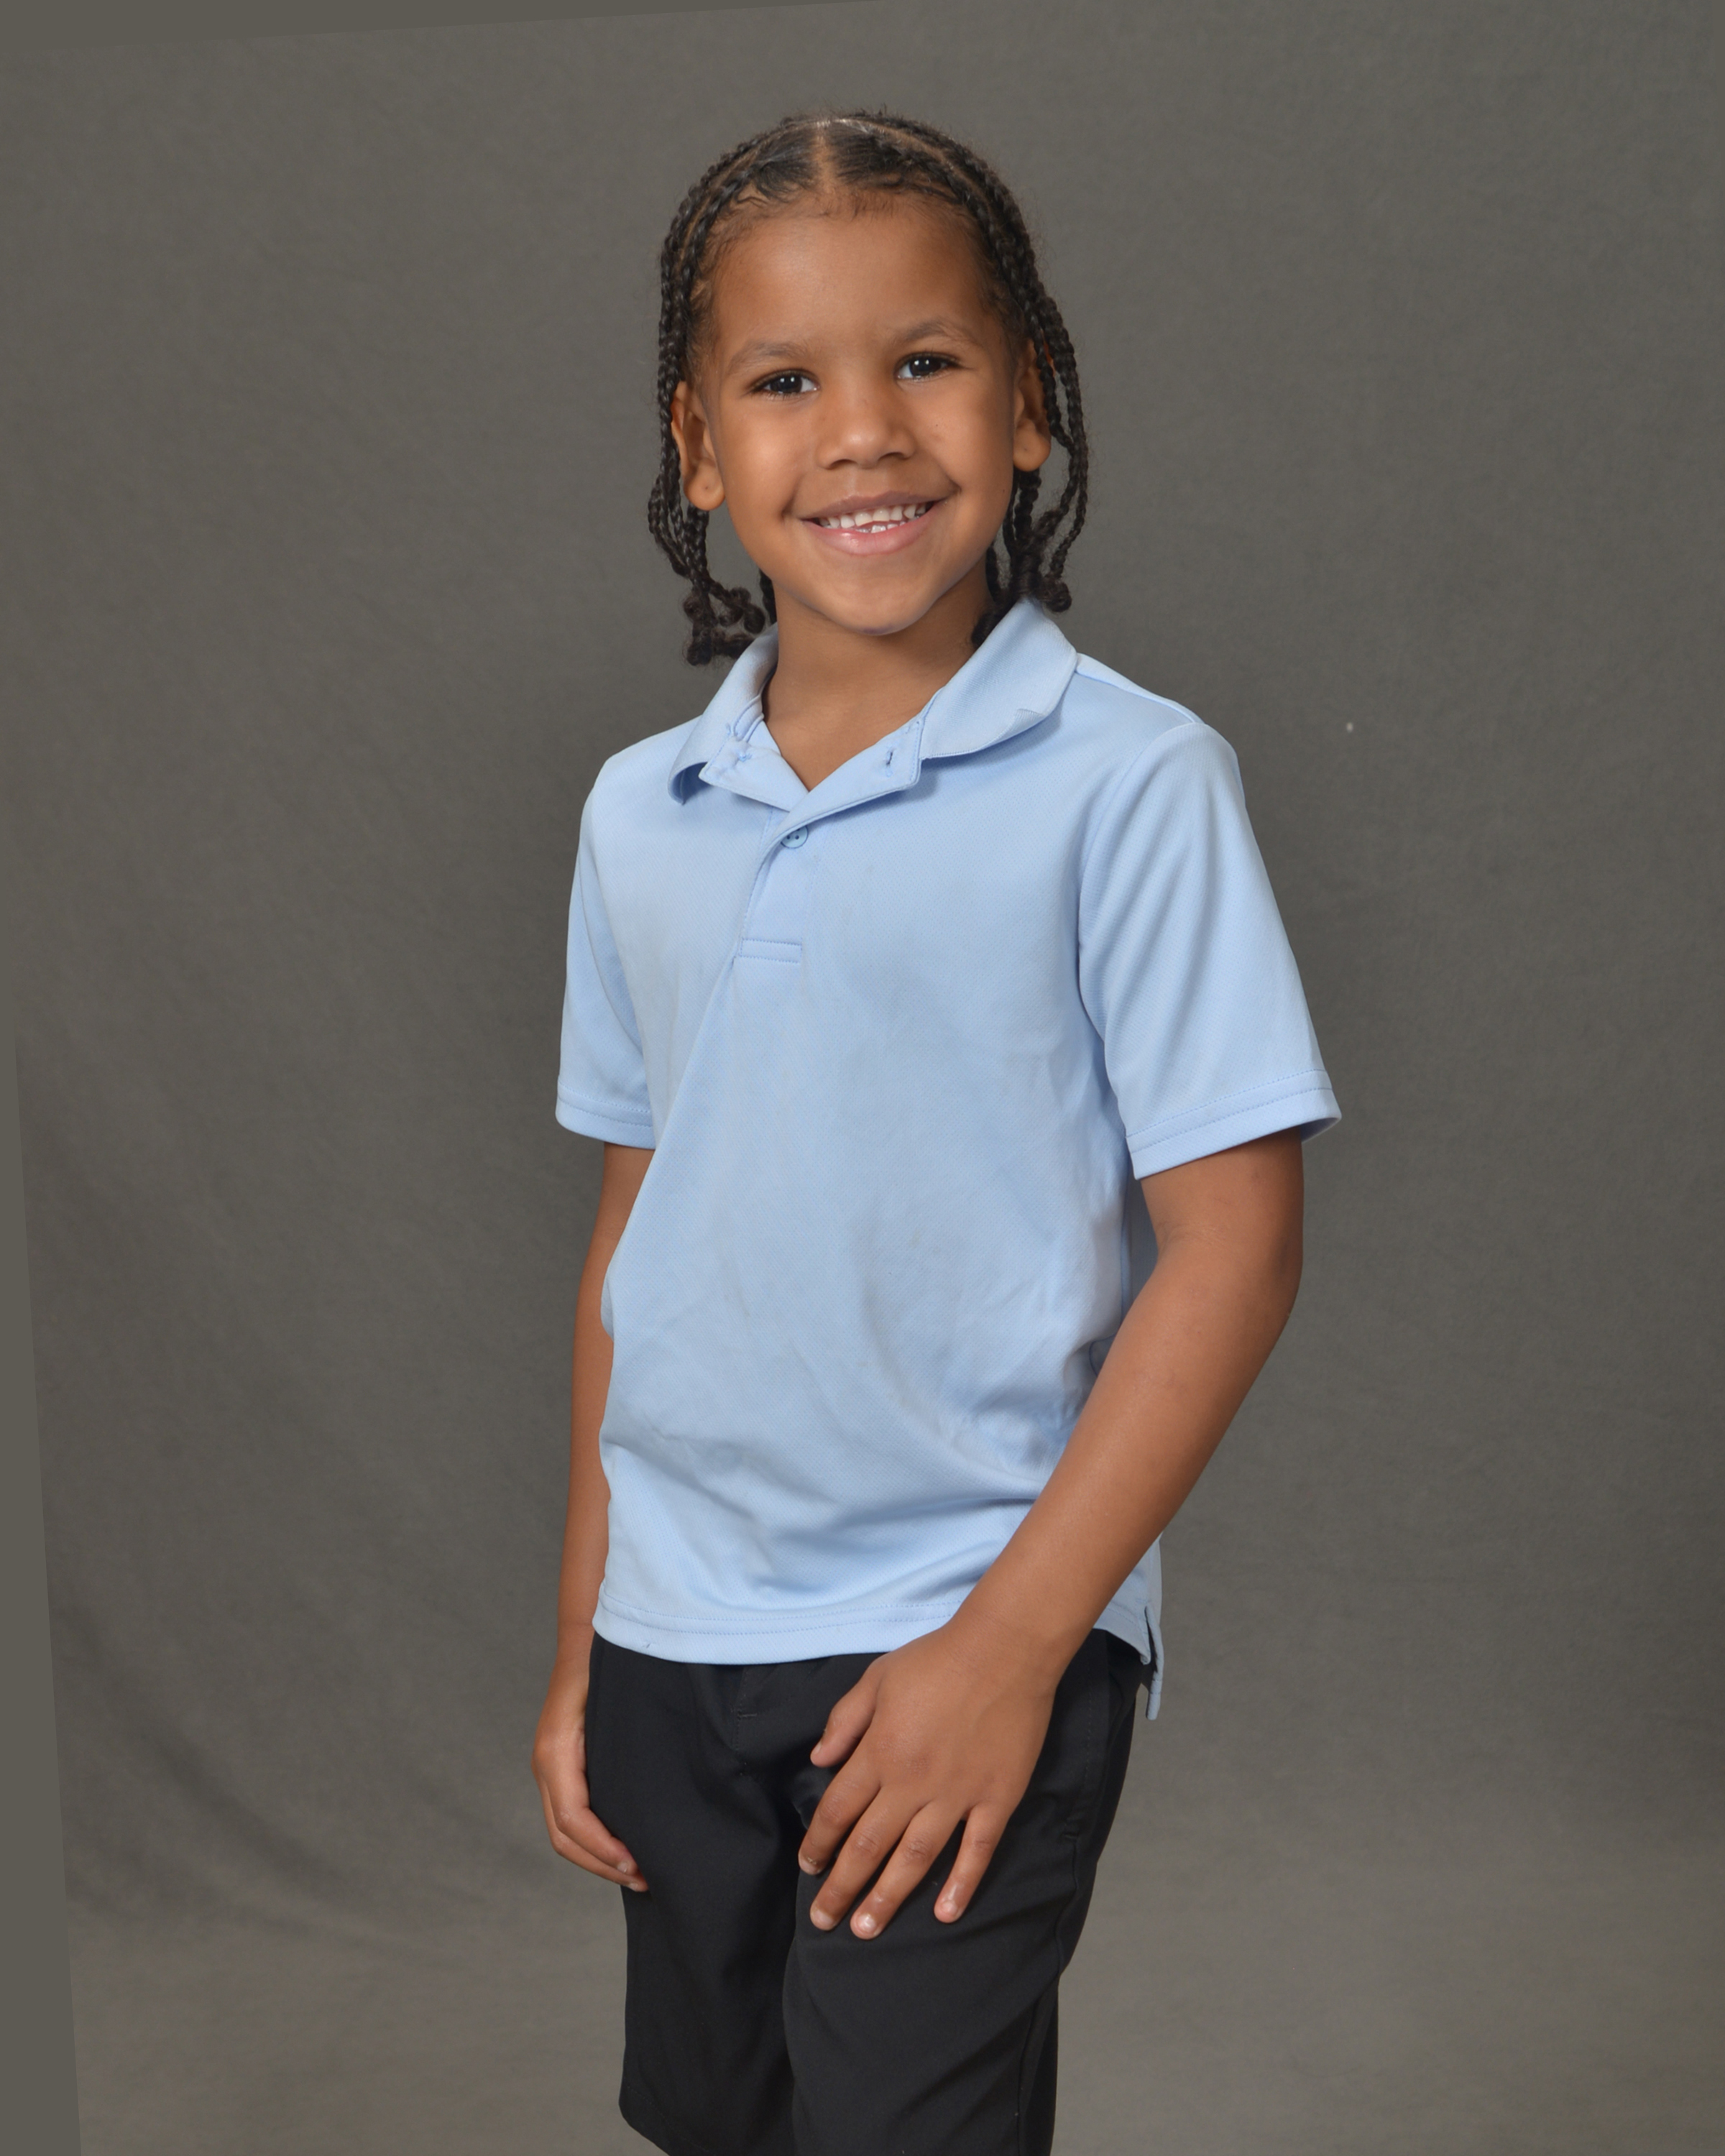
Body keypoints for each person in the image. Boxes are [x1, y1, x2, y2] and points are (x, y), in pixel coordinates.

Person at [531, 109, 1338, 2156]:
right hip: (676, 1639)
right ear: (698, 448)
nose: (865, 432)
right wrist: (586, 1646)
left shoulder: (1131, 786)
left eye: (926, 360)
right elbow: (638, 1243)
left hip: (969, 1628)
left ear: (1029, 403)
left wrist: (1010, 1649)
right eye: (784, 382)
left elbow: (1236, 1249)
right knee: (721, 2128)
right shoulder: (643, 814)